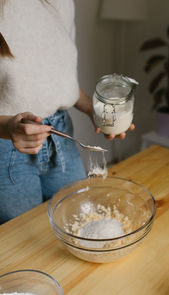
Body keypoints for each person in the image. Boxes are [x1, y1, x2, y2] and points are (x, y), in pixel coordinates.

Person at [0, 0, 134, 224]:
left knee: (79, 222)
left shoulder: (60, 3)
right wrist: (6, 128)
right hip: (6, 145)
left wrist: (94, 109)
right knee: (23, 241)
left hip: (61, 136)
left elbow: (59, 81)